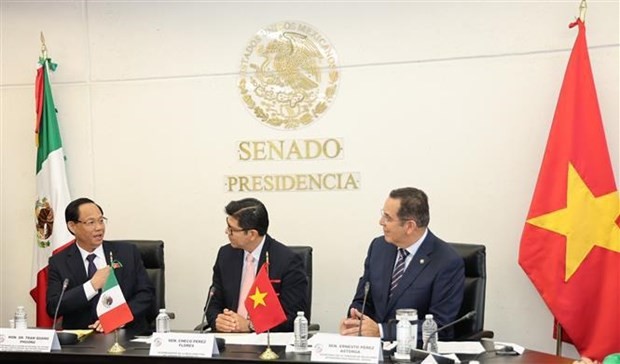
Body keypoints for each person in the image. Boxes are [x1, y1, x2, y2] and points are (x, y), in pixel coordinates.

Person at [340, 187, 465, 342]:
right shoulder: (379, 247)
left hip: (416, 354)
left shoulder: (447, 261)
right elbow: (363, 300)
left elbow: (440, 327)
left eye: (388, 218)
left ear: (409, 226)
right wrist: (355, 320)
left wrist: (382, 331)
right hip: (372, 350)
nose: (381, 222)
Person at [46, 198, 155, 335]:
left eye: (101, 220)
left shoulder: (127, 253)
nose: (99, 227)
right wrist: (91, 286)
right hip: (81, 343)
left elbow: (146, 293)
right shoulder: (59, 262)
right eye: (91, 222)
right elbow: (53, 307)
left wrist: (119, 317)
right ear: (72, 226)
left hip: (127, 335)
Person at [205, 197, 308, 332]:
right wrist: (218, 320)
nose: (227, 232)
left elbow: (294, 317)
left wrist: (250, 325)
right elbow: (212, 304)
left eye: (232, 229)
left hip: (268, 344)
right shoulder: (226, 255)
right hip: (229, 340)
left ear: (252, 234)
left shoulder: (287, 261)